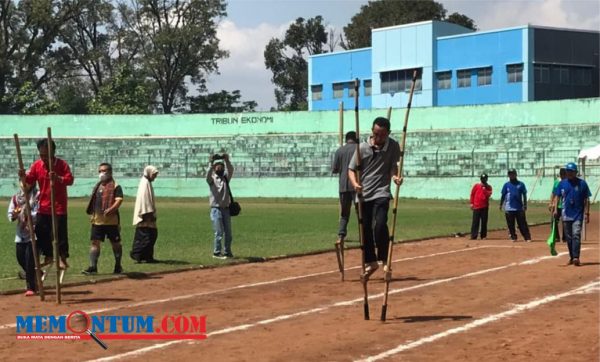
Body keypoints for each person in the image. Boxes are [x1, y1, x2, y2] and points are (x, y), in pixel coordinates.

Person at [348, 117, 402, 280]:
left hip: (381, 192)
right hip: (364, 195)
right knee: (364, 230)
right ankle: (371, 261)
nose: (378, 138)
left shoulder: (393, 146)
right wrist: (355, 183)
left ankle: (385, 259)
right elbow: (351, 169)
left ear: (388, 134)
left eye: (382, 135)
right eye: (375, 134)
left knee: (380, 224)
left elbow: (394, 166)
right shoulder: (362, 148)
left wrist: (395, 177)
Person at [18, 139, 74, 271]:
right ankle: (48, 255)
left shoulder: (61, 164)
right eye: (41, 155)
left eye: (46, 155)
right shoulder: (37, 165)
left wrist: (58, 178)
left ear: (53, 152)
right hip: (43, 206)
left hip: (59, 206)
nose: (43, 158)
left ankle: (62, 257)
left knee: (60, 234)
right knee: (41, 232)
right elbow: (29, 181)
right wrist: (22, 176)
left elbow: (70, 180)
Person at [82, 163, 124, 275]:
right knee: (94, 243)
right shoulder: (97, 186)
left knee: (115, 243)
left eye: (104, 171)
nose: (102, 173)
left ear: (110, 172)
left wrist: (112, 209)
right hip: (97, 221)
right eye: (100, 171)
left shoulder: (116, 186)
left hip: (111, 221)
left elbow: (119, 200)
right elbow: (94, 202)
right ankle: (93, 267)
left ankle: (118, 265)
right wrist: (93, 214)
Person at [552, 162, 591, 266]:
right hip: (566, 214)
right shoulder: (562, 183)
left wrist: (587, 213)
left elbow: (587, 199)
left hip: (578, 214)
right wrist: (555, 209)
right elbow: (557, 197)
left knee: (576, 235)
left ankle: (576, 257)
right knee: (569, 238)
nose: (569, 173)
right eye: (568, 171)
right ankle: (571, 256)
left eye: (571, 171)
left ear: (575, 172)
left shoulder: (582, 184)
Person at [8, 185, 39, 296]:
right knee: (20, 258)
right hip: (21, 233)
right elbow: (10, 214)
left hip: (34, 232)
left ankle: (31, 287)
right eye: (22, 181)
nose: (25, 183)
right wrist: (15, 214)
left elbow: (38, 212)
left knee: (29, 259)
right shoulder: (16, 198)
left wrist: (27, 216)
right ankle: (37, 273)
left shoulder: (37, 196)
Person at [206, 153, 235, 259]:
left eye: (221, 166)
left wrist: (226, 160)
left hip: (226, 209)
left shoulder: (225, 179)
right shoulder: (212, 180)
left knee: (228, 232)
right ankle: (217, 252)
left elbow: (231, 170)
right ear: (214, 168)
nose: (220, 167)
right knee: (218, 232)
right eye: (218, 166)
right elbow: (208, 175)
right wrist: (210, 162)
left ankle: (227, 251)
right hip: (216, 209)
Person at [332, 131, 358, 244]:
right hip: (356, 185)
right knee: (361, 213)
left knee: (344, 213)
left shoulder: (339, 151)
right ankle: (365, 235)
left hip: (343, 186)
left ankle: (341, 236)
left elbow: (335, 169)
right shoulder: (359, 149)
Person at [130, 166, 159, 263]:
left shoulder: (147, 182)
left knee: (150, 235)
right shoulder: (145, 183)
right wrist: (148, 214)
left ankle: (147, 256)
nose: (155, 177)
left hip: (148, 213)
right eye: (154, 175)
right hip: (146, 214)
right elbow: (144, 200)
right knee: (146, 236)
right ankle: (137, 254)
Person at [499, 169, 531, 242]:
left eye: (513, 174)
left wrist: (525, 205)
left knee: (522, 223)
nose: (511, 175)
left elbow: (524, 195)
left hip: (519, 207)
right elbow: (503, 195)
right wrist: (501, 204)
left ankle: (527, 237)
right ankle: (513, 237)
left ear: (516, 174)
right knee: (510, 224)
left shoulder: (521, 184)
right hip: (509, 208)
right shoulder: (506, 185)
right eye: (510, 174)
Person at [470, 173, 493, 240]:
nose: (483, 180)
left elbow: (488, 194)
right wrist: (471, 203)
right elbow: (472, 194)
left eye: (485, 178)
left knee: (484, 221)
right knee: (475, 221)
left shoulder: (489, 187)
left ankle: (483, 235)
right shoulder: (476, 186)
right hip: (477, 206)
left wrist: (484, 189)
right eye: (482, 179)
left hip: (484, 206)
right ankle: (474, 235)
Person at [548, 168, 567, 243]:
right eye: (561, 174)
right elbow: (553, 193)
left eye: (564, 174)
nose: (562, 176)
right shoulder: (556, 182)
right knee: (553, 221)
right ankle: (556, 237)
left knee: (565, 222)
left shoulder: (568, 182)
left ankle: (565, 238)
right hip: (557, 205)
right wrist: (550, 202)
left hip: (565, 206)